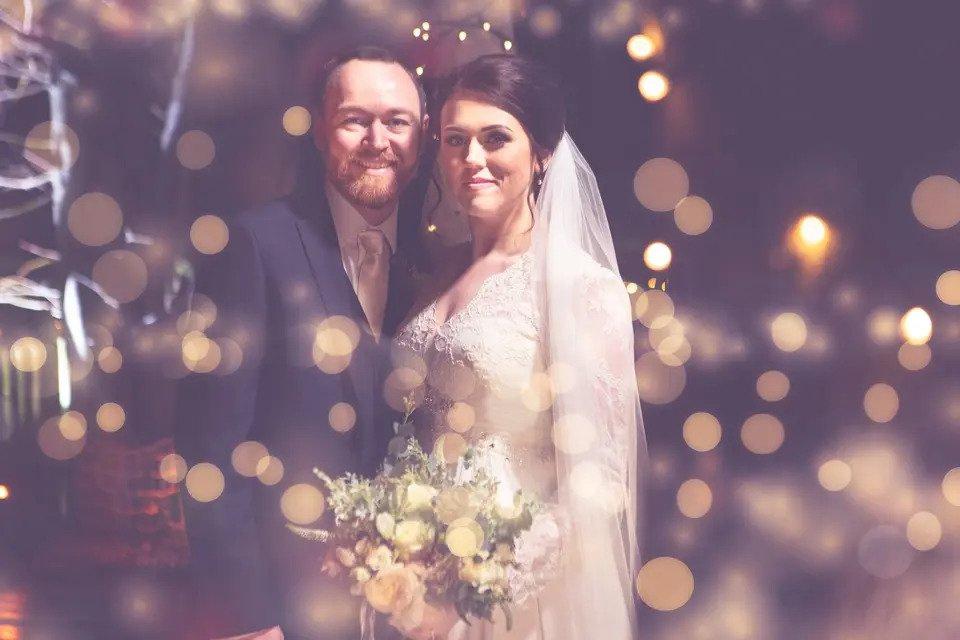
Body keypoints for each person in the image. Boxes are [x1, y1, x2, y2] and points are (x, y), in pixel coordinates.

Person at [175, 46, 429, 640]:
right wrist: (247, 620)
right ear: (319, 130)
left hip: (414, 614)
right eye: (354, 120)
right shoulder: (252, 246)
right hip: (288, 609)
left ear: (421, 137)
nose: (377, 139)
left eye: (397, 121)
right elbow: (210, 448)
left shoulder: (438, 260)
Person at [394, 54, 646, 639]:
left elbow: (598, 483)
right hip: (411, 584)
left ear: (542, 154)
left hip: (514, 603)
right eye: (455, 141)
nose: (471, 159)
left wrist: (474, 591)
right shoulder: (431, 279)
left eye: (495, 138)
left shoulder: (579, 286)